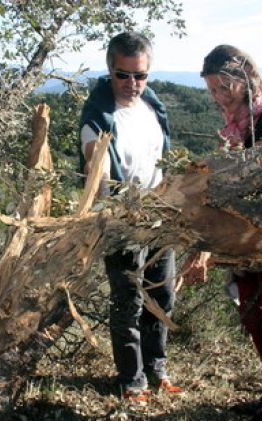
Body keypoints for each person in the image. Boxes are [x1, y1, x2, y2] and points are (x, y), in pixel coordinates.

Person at [182, 44, 262, 421]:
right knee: (253, 316)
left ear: (246, 77)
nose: (218, 97)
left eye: (225, 87)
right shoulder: (241, 123)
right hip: (245, 239)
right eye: (212, 89)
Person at [79, 31, 182, 403]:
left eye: (140, 75)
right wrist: (114, 222)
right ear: (110, 70)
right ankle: (132, 380)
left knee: (162, 296)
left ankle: (157, 370)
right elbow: (99, 180)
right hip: (123, 221)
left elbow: (163, 156)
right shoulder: (97, 119)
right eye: (123, 75)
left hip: (161, 215)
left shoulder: (152, 105)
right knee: (128, 302)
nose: (132, 84)